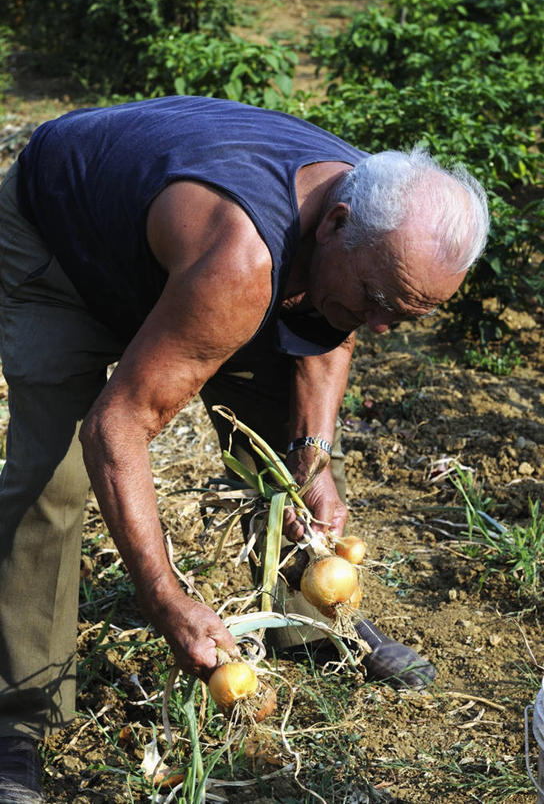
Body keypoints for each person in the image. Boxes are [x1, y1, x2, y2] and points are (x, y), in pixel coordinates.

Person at [0, 95, 489, 802]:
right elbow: (117, 427)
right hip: (63, 245)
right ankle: (21, 713)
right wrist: (165, 597)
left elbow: (333, 331)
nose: (381, 327)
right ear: (336, 225)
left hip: (191, 261)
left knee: (274, 439)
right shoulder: (244, 259)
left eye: (405, 315)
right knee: (56, 479)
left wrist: (312, 455)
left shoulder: (369, 219)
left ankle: (310, 618)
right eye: (379, 299)